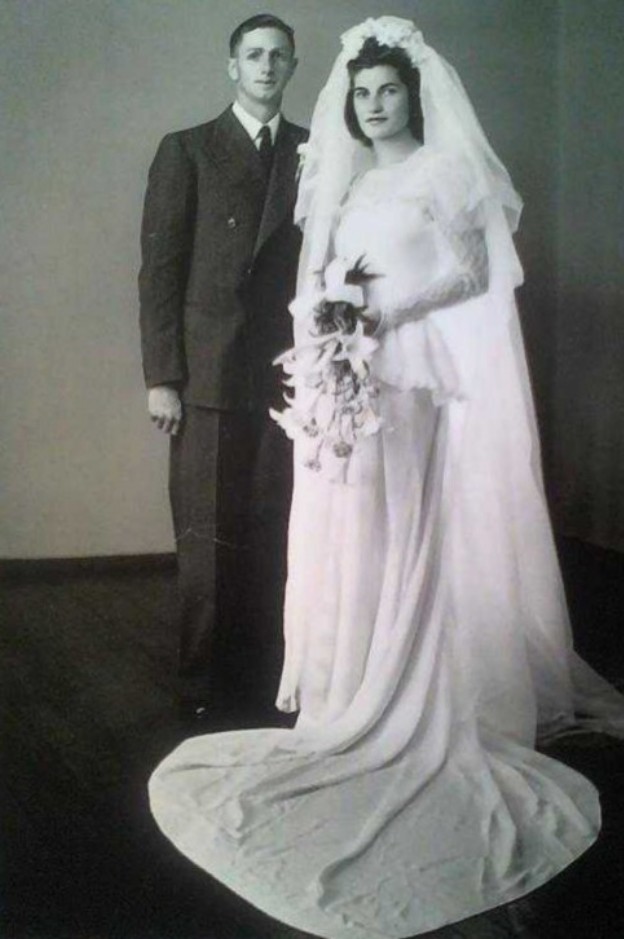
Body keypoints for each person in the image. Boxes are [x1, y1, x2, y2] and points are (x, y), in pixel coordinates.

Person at [149, 18, 624, 938]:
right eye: (360, 93)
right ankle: (350, 689)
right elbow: (311, 276)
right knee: (352, 530)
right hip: (357, 385)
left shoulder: (449, 174)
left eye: (386, 90)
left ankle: (419, 695)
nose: (372, 104)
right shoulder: (353, 182)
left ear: (414, 92)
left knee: (412, 534)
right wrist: (328, 326)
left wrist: (374, 310)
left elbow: (478, 270)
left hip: (418, 383)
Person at [138, 14, 307, 725]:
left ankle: (268, 675)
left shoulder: (313, 150)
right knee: (206, 536)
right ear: (231, 65)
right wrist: (162, 376)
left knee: (275, 525)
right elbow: (161, 271)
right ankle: (201, 683)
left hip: (288, 372)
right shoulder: (188, 151)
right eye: (254, 55)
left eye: (279, 57)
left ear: (293, 68)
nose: (266, 66)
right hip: (206, 374)